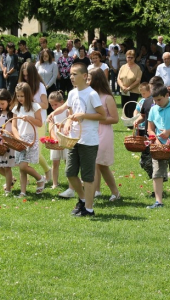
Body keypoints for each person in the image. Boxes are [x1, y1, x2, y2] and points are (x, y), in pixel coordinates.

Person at [47, 63, 106, 217]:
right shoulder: (73, 93)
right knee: (70, 172)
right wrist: (54, 114)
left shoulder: (92, 94)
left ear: (85, 76)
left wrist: (84, 116)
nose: (71, 77)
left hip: (89, 141)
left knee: (87, 176)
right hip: (74, 140)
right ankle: (82, 200)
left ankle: (89, 209)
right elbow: (67, 106)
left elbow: (103, 115)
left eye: (75, 74)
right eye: (71, 74)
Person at [88, 69, 121, 201]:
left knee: (101, 164)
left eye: (89, 78)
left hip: (104, 132)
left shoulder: (107, 98)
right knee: (95, 163)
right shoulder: (90, 96)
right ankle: (97, 190)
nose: (87, 81)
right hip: (92, 131)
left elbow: (114, 118)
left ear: (96, 80)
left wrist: (96, 119)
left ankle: (115, 192)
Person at [10, 82, 46, 197]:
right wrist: (17, 137)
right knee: (22, 168)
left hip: (30, 139)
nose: (20, 98)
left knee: (23, 166)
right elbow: (14, 126)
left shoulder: (35, 107)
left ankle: (40, 179)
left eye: (22, 96)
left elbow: (40, 123)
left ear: (28, 95)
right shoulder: (16, 109)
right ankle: (23, 192)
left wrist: (30, 119)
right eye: (18, 96)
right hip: (20, 139)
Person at [18, 62, 52, 181]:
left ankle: (48, 170)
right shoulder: (22, 86)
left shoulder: (40, 86)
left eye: (28, 75)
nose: (26, 78)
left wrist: (31, 102)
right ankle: (25, 179)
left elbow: (45, 104)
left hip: (39, 121)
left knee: (35, 151)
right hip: (24, 122)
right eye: (24, 75)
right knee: (23, 151)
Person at [0, 89, 17, 196]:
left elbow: (14, 128)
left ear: (9, 101)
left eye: (2, 103)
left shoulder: (12, 113)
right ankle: (11, 179)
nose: (0, 105)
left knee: (7, 167)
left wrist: (7, 133)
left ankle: (8, 190)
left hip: (8, 142)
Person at [47, 91, 72, 194]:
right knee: (55, 162)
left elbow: (70, 125)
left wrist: (61, 126)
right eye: (51, 105)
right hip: (56, 140)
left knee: (68, 161)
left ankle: (71, 181)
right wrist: (54, 138)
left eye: (55, 104)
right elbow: (50, 128)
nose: (53, 107)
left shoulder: (66, 112)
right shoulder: (52, 115)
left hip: (66, 138)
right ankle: (55, 183)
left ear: (62, 102)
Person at [117, 50, 142, 119]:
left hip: (133, 91)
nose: (130, 59)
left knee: (131, 107)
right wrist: (122, 87)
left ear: (134, 58)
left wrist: (128, 88)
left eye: (131, 57)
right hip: (124, 91)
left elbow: (138, 80)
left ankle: (131, 124)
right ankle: (127, 122)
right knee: (124, 107)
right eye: (128, 57)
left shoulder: (137, 68)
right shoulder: (123, 67)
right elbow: (118, 79)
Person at [36, 49, 58, 114]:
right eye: (43, 56)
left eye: (46, 56)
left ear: (49, 56)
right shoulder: (38, 64)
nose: (44, 57)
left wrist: (47, 86)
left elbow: (54, 76)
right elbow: (35, 74)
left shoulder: (54, 64)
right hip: (40, 87)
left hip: (51, 87)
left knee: (52, 102)